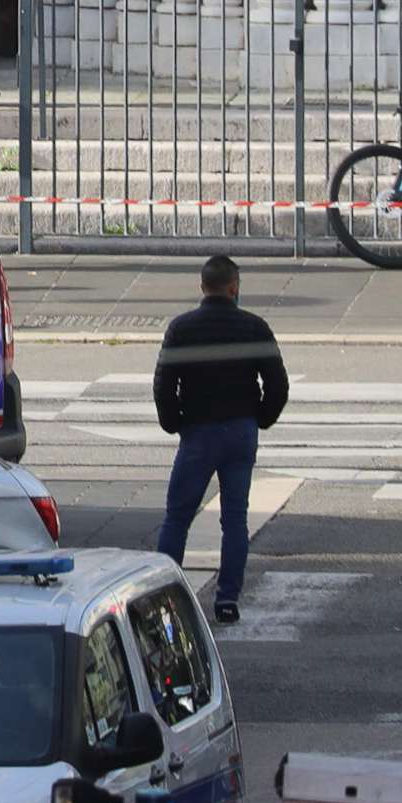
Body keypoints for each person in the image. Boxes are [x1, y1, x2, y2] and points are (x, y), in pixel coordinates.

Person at [151, 256, 289, 624]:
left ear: (202, 287)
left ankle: (164, 601)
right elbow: (277, 385)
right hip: (241, 432)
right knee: (235, 520)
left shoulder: (181, 329)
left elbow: (164, 384)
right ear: (234, 288)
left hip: (198, 432)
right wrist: (260, 418)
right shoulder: (255, 328)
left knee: (177, 517)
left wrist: (174, 422)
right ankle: (227, 600)